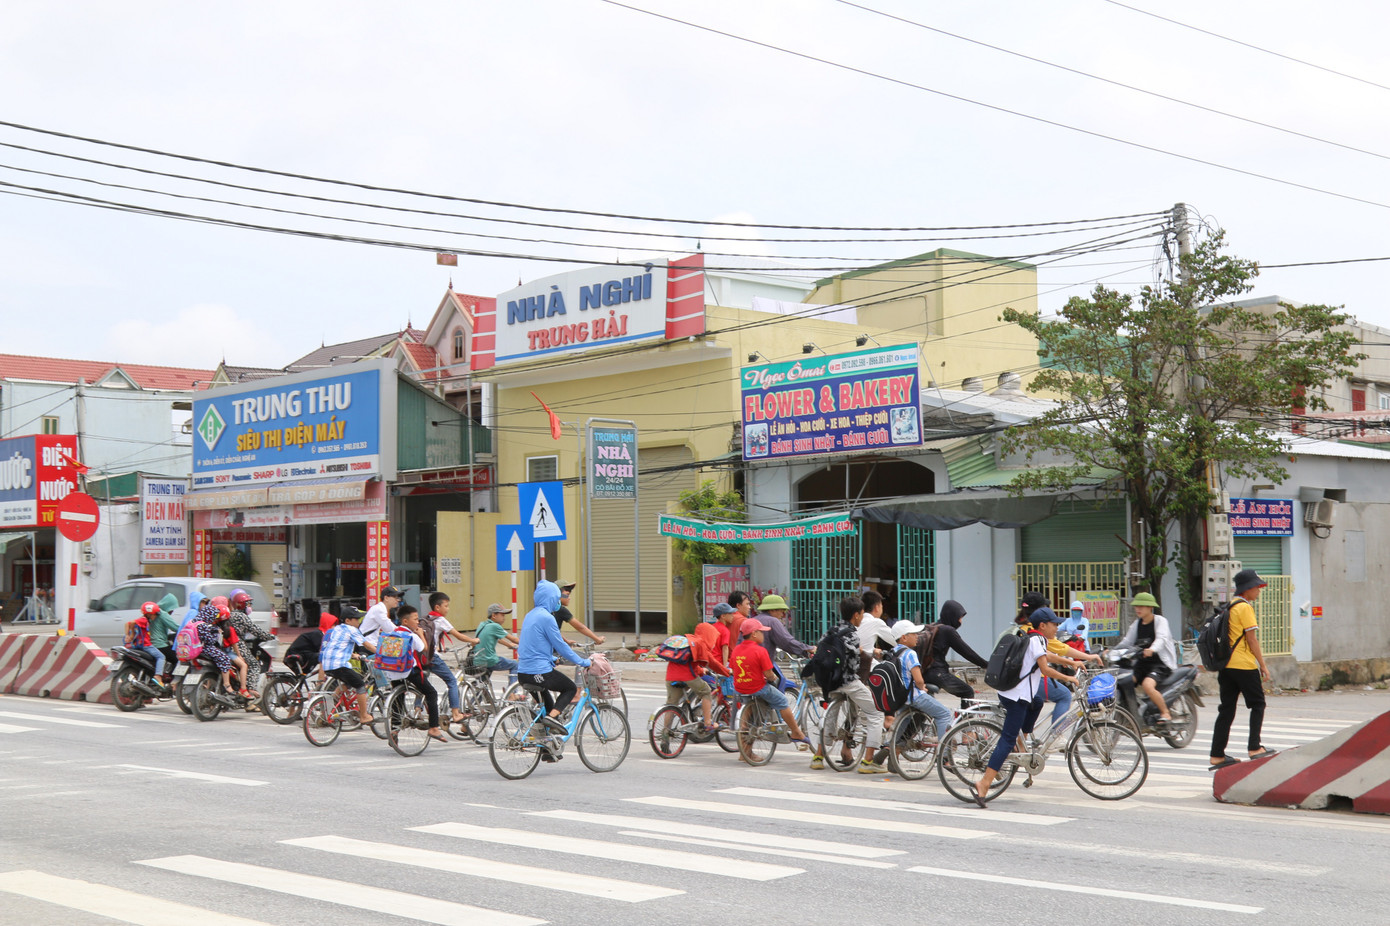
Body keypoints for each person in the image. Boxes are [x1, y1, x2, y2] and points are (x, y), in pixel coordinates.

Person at [973, 607, 1077, 808]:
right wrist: (1068, 678)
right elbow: (1045, 668)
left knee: (1037, 703)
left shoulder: (1035, 638)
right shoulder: (1037, 640)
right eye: (1054, 624)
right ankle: (984, 783)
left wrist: (1071, 662)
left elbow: (1046, 657)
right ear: (1043, 625)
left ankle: (1022, 742)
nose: (1057, 628)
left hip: (1015, 693)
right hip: (1017, 697)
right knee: (1007, 739)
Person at [807, 596, 886, 774]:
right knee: (876, 712)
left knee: (830, 716)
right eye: (861, 614)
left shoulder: (830, 631)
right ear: (856, 615)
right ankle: (868, 761)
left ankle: (818, 757)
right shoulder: (852, 634)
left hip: (829, 682)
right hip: (847, 682)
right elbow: (854, 664)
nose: (862, 618)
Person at [1209, 569, 1277, 769]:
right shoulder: (1245, 607)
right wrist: (1263, 665)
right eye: (1256, 587)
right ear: (1247, 589)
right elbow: (1252, 639)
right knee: (1258, 704)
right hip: (1244, 665)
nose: (1258, 591)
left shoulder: (1229, 606)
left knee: (1226, 709)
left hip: (1226, 666)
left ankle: (1217, 755)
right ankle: (1255, 747)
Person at [517, 580, 592, 739]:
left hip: (523, 673)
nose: (558, 602)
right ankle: (551, 719)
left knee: (549, 707)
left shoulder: (530, 615)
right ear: (550, 598)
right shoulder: (547, 618)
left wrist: (551, 658)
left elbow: (531, 645)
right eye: (556, 598)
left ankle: (546, 746)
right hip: (538, 673)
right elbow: (562, 646)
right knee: (570, 688)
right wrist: (583, 662)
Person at [732, 617, 812, 753]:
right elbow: (769, 674)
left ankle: (744, 752)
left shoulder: (736, 649)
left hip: (740, 688)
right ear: (754, 634)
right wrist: (772, 677)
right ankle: (796, 732)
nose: (764, 635)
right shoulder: (760, 651)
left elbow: (735, 669)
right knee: (782, 701)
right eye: (761, 632)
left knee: (748, 718)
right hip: (758, 687)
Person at [388, 605, 447, 743]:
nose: (418, 622)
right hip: (408, 671)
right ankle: (434, 727)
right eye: (415, 619)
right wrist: (421, 634)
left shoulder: (392, 633)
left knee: (398, 699)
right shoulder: (411, 635)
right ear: (405, 621)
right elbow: (424, 648)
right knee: (431, 693)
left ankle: (394, 730)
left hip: (393, 671)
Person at [1116, 591, 1177, 728]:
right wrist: (1112, 651)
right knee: (1124, 681)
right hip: (1141, 664)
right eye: (1136, 606)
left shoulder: (1160, 621)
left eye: (1141, 606)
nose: (1138, 609)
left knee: (1147, 685)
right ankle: (1133, 712)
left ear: (1150, 607)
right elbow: (1127, 642)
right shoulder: (1136, 624)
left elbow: (1162, 639)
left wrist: (1152, 649)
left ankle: (1165, 712)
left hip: (1160, 664)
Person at [665, 611, 730, 733]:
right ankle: (708, 723)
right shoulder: (701, 644)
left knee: (671, 705)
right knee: (706, 691)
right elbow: (713, 664)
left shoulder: (689, 641)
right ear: (709, 635)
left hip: (670, 676)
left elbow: (687, 663)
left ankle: (665, 733)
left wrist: (700, 670)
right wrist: (727, 672)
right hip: (687, 676)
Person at [887, 622, 954, 740]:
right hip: (913, 696)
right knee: (944, 714)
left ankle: (890, 745)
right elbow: (918, 680)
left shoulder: (892, 653)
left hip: (900, 697)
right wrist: (922, 687)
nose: (917, 636)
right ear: (904, 637)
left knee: (904, 719)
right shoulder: (910, 653)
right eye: (913, 634)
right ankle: (944, 750)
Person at [423, 592, 480, 726]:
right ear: (437, 607)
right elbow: (458, 635)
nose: (448, 609)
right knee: (452, 681)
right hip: (432, 657)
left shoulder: (427, 618)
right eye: (446, 606)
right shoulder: (441, 620)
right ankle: (456, 713)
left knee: (423, 683)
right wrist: (473, 640)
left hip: (423, 656)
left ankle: (417, 710)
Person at [920, 600, 989, 707]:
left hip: (924, 672)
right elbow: (966, 652)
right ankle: (966, 718)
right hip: (937, 673)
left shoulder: (933, 626)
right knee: (967, 691)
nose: (961, 622)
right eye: (959, 618)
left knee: (928, 705)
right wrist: (986, 664)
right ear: (952, 616)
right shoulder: (947, 630)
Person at [318, 606, 377, 726]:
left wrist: (353, 655)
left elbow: (338, 646)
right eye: (356, 619)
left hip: (328, 665)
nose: (358, 621)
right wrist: (381, 653)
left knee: (348, 682)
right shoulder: (352, 629)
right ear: (348, 620)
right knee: (360, 685)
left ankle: (330, 707)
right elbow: (366, 645)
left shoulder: (337, 629)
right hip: (339, 665)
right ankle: (364, 716)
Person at [227, 589, 271, 710]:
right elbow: (255, 630)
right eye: (247, 604)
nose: (249, 606)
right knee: (254, 665)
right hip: (238, 645)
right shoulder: (241, 616)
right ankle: (250, 690)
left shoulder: (230, 614)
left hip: (228, 645)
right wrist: (269, 636)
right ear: (242, 604)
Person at [195, 601, 249, 700]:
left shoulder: (198, 622)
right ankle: (240, 688)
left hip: (198, 649)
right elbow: (234, 644)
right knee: (241, 664)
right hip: (216, 650)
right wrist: (239, 655)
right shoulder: (211, 626)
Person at [750, 594, 814, 664]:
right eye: (781, 611)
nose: (782, 614)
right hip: (762, 664)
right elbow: (786, 641)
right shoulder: (772, 621)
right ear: (772, 610)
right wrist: (808, 648)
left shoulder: (752, 620)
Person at [360, 587, 402, 690]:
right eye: (395, 597)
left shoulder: (380, 609)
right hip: (367, 645)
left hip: (369, 643)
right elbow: (390, 628)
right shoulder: (379, 609)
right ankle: (386, 691)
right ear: (386, 598)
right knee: (393, 663)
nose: (398, 600)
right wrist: (406, 632)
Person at [473, 603, 520, 687]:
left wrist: (509, 645)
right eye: (502, 615)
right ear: (494, 615)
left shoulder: (482, 625)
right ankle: (512, 692)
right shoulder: (495, 626)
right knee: (515, 665)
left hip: (478, 660)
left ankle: (478, 694)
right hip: (489, 660)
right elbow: (514, 639)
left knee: (482, 687)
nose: (504, 618)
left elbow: (497, 639)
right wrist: (528, 644)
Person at [125, 602, 169, 690]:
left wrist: (130, 634)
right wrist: (130, 634)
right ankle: (158, 676)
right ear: (149, 614)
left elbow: (129, 624)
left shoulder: (144, 620)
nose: (156, 616)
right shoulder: (144, 620)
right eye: (155, 614)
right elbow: (129, 623)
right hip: (146, 645)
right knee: (161, 657)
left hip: (138, 645)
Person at [552, 580, 604, 645]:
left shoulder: (549, 607)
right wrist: (597, 639)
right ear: (558, 595)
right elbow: (580, 627)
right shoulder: (560, 610)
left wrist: (566, 641)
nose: (569, 598)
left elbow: (553, 630)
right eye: (567, 595)